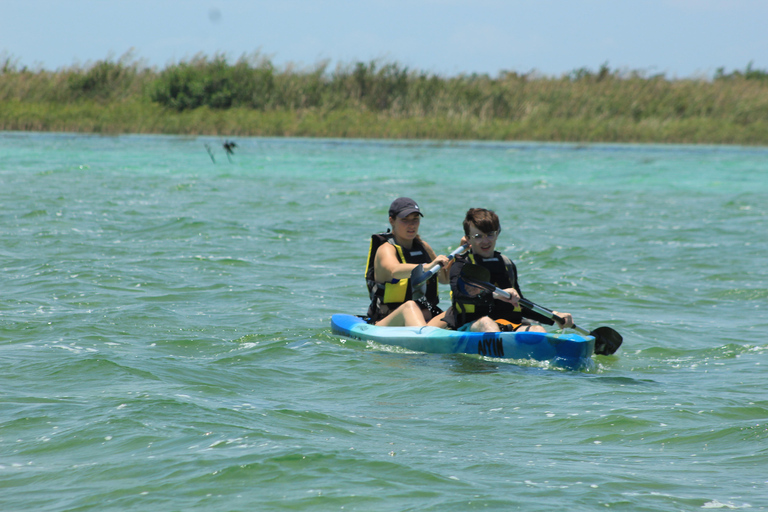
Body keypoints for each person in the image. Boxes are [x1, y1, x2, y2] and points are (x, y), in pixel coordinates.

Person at [442, 208, 574, 333]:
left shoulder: (506, 263)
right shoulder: (460, 265)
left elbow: (520, 303)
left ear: (497, 234)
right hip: (473, 325)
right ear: (468, 239)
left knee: (537, 331)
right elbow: (461, 296)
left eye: (490, 235)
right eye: (478, 236)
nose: (485, 241)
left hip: (507, 324)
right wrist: (496, 294)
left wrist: (554, 316)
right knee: (487, 324)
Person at [365, 197, 451, 327]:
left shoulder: (423, 246)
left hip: (426, 321)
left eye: (415, 219)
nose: (411, 225)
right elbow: (395, 271)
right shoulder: (386, 249)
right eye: (404, 220)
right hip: (389, 321)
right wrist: (426, 267)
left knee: (456, 309)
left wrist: (462, 253)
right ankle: (424, 339)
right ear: (392, 221)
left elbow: (444, 279)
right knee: (409, 307)